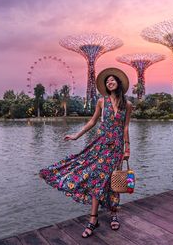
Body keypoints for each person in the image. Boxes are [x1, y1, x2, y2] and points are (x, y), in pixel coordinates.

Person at [39, 67, 132, 238]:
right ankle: (93, 218)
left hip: (117, 147)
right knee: (96, 177)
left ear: (118, 83)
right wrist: (76, 135)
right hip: (101, 144)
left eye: (113, 80)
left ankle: (113, 213)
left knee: (114, 180)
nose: (110, 82)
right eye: (107, 81)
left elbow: (125, 127)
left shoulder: (127, 104)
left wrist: (128, 148)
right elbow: (92, 121)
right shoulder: (101, 102)